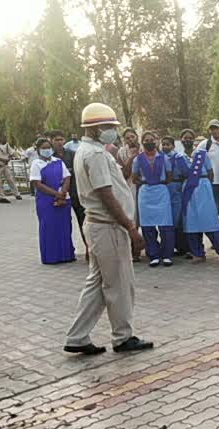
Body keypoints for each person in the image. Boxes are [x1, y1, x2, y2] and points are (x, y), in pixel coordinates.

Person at [64, 102, 153, 355]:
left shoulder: (88, 151)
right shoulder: (96, 155)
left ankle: (77, 336)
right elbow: (106, 194)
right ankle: (123, 337)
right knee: (119, 284)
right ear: (93, 129)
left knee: (97, 283)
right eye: (107, 127)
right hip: (108, 227)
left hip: (99, 226)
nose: (112, 131)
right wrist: (130, 228)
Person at [131, 132, 175, 267]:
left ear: (156, 141)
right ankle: (153, 254)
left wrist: (158, 182)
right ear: (142, 142)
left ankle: (167, 254)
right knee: (147, 225)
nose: (149, 142)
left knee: (165, 224)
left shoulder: (164, 158)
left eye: (152, 140)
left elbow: (169, 176)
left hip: (161, 191)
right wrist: (147, 182)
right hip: (145, 193)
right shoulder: (137, 159)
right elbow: (134, 178)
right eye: (146, 140)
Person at [30, 137, 76, 264]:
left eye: (48, 147)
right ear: (38, 150)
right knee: (49, 228)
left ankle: (66, 255)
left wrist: (63, 193)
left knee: (65, 227)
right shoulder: (36, 164)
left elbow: (67, 177)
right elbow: (37, 184)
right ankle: (51, 257)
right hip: (46, 200)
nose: (47, 150)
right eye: (43, 148)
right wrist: (56, 194)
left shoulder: (59, 161)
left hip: (62, 198)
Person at [180, 143, 219, 262]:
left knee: (210, 219)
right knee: (191, 221)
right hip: (188, 191)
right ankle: (198, 253)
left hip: (203, 188)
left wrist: (204, 185)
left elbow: (210, 173)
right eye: (185, 138)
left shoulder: (201, 155)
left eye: (190, 137)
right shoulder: (180, 157)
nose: (187, 140)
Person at [50, 130, 88, 259]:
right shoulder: (50, 157)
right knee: (63, 223)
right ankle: (65, 252)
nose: (60, 142)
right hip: (58, 194)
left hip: (75, 192)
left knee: (83, 220)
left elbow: (79, 172)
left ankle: (89, 248)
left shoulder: (72, 155)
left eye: (61, 139)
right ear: (51, 141)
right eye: (56, 140)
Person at [197, 119, 219, 239]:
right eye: (212, 129)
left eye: (216, 128)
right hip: (212, 185)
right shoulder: (204, 144)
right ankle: (217, 241)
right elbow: (196, 161)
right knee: (213, 214)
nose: (214, 131)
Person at [161, 136, 191, 258]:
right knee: (167, 219)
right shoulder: (159, 158)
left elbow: (187, 173)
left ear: (173, 145)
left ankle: (182, 247)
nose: (165, 147)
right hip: (164, 188)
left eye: (167, 144)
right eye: (163, 144)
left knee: (177, 219)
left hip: (176, 188)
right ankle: (169, 247)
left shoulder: (179, 158)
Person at [116, 128, 142, 261]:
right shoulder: (121, 152)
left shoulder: (144, 148)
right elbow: (124, 174)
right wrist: (132, 157)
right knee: (133, 217)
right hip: (130, 186)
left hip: (145, 186)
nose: (130, 140)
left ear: (137, 137)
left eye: (132, 137)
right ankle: (134, 251)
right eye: (127, 138)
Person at [0, 134, 22, 203]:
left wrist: (17, 156)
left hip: (5, 165)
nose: (4, 139)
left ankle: (17, 194)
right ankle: (1, 197)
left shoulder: (6, 145)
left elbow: (12, 152)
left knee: (10, 179)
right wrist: (4, 159)